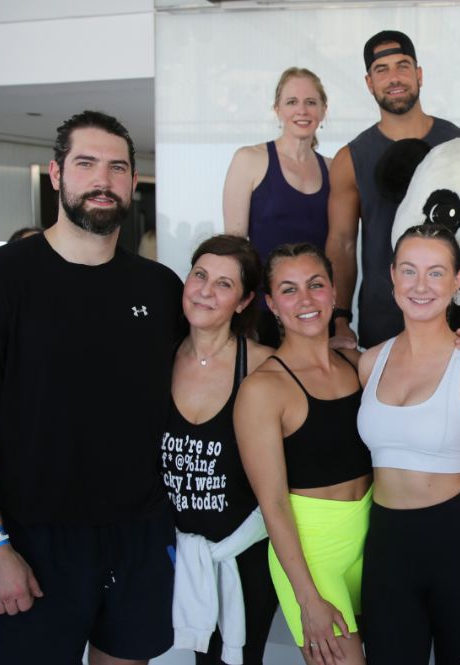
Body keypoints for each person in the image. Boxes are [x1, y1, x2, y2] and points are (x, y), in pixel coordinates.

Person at [0, 110, 184, 665]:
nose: (102, 179)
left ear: (133, 181)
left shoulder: (159, 288)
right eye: (86, 163)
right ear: (57, 173)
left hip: (141, 533)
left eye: (117, 167)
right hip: (32, 540)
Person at [356, 224, 460, 665]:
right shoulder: (369, 363)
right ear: (392, 275)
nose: (420, 286)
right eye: (409, 270)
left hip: (457, 542)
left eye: (435, 273)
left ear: (457, 281)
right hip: (387, 544)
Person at [234, 243, 374, 665]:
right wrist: (307, 598)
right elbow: (273, 504)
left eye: (315, 285)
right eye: (289, 290)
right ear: (272, 304)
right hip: (314, 553)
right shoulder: (263, 390)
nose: (306, 299)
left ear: (334, 292)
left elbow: (422, 367)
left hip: (375, 538)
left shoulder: (357, 364)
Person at [165, 235, 277, 665]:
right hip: (174, 552)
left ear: (245, 301)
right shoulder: (159, 358)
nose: (205, 291)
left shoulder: (265, 365)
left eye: (224, 284)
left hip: (246, 553)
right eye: (200, 275)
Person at [327, 30, 460, 350]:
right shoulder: (350, 159)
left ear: (419, 75)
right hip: (383, 316)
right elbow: (342, 243)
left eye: (402, 66)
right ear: (369, 83)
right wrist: (340, 318)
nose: (394, 78)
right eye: (382, 70)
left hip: (457, 315)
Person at [222, 67, 331, 347]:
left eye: (310, 102)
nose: (302, 110)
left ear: (323, 110)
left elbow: (338, 248)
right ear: (277, 110)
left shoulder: (333, 169)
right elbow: (234, 249)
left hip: (315, 310)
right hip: (263, 310)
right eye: (292, 102)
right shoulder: (250, 159)